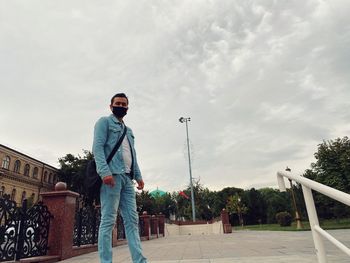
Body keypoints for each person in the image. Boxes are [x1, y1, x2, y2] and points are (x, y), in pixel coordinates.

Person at [92, 93, 147, 263]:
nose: (121, 106)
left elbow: (132, 155)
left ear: (127, 108)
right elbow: (98, 148)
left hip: (127, 179)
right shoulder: (104, 122)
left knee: (132, 220)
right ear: (111, 106)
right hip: (112, 177)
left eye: (124, 104)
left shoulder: (129, 131)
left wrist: (138, 176)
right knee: (108, 220)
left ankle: (140, 260)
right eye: (118, 103)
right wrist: (104, 172)